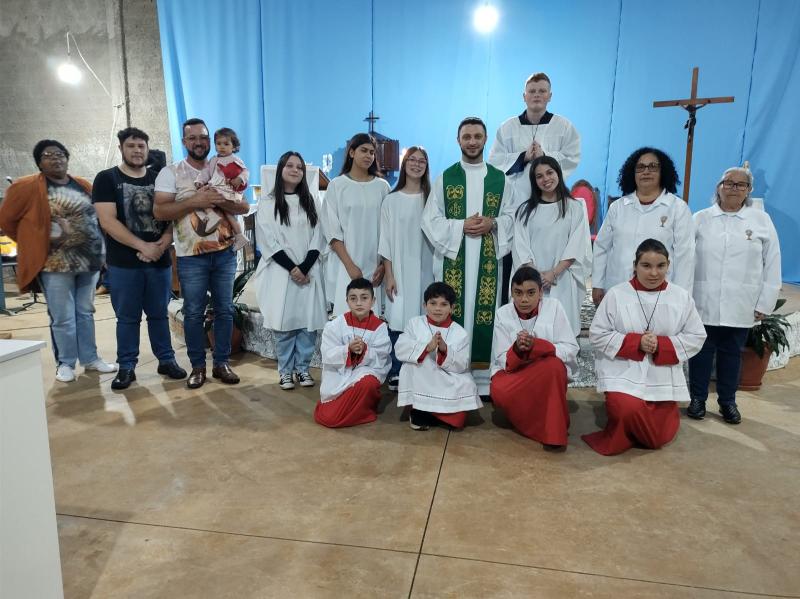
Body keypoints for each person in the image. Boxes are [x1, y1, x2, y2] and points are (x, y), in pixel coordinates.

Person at [0, 139, 116, 382]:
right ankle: (65, 363)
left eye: (60, 154)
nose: (56, 158)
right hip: (54, 265)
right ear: (39, 162)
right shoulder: (26, 187)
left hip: (88, 262)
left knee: (85, 312)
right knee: (62, 316)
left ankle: (91, 359)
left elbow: (96, 219)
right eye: (48, 155)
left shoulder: (82, 185)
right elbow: (7, 220)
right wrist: (32, 241)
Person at [582, 239, 706, 456]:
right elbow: (598, 334)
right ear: (635, 265)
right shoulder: (617, 295)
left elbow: (696, 336)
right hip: (624, 371)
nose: (654, 273)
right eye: (646, 266)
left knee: (656, 438)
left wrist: (662, 344)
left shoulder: (680, 297)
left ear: (668, 265)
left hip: (662, 376)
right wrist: (635, 342)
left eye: (661, 266)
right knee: (627, 410)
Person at [422, 116, 516, 394]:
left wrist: (494, 223)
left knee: (486, 314)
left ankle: (484, 381)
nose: (472, 141)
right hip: (455, 259)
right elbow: (430, 220)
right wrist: (460, 225)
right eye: (467, 137)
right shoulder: (446, 178)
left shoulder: (500, 179)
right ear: (458, 140)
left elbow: (512, 217)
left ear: (485, 140)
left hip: (488, 259)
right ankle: (449, 371)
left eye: (477, 136)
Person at [153, 118, 249, 389]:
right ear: (184, 141)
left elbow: (243, 206)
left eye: (203, 137)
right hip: (190, 256)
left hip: (225, 253)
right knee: (194, 312)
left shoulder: (223, 167)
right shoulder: (171, 173)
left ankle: (221, 363)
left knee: (225, 310)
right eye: (192, 137)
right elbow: (160, 211)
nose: (198, 142)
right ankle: (197, 366)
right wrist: (196, 200)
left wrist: (224, 200)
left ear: (211, 141)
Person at [93, 127, 186, 389]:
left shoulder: (161, 178)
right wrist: (142, 246)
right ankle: (126, 366)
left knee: (159, 314)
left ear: (147, 149)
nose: (137, 150)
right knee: (127, 317)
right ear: (121, 148)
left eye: (141, 146)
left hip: (159, 261)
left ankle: (166, 360)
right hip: (124, 263)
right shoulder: (106, 179)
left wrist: (165, 242)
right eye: (131, 145)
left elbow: (173, 215)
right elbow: (107, 221)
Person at [688, 167, 782, 424]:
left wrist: (766, 301)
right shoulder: (700, 218)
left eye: (741, 185)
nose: (734, 188)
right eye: (728, 182)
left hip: (741, 301)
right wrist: (683, 297)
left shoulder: (761, 221)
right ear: (718, 186)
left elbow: (772, 262)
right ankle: (697, 399)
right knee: (701, 352)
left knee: (731, 353)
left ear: (749, 191)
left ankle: (727, 402)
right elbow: (685, 259)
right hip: (702, 298)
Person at [254, 151, 326, 390]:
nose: (295, 170)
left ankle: (303, 369)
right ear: (280, 170)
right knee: (285, 324)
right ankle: (285, 371)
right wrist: (293, 269)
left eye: (299, 167)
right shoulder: (268, 203)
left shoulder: (312, 201)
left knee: (307, 324)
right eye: (290, 166)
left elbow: (319, 235)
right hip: (280, 271)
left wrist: (304, 267)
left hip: (309, 269)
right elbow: (267, 240)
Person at [592, 147, 694, 306]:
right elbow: (602, 247)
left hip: (660, 290)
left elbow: (685, 255)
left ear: (663, 172)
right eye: (640, 167)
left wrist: (681, 296)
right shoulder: (618, 207)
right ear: (632, 173)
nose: (646, 171)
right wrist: (597, 284)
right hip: (618, 286)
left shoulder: (678, 208)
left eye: (653, 166)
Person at [490, 266, 579, 449]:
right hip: (516, 373)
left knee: (554, 367)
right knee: (498, 390)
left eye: (531, 293)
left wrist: (537, 347)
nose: (524, 299)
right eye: (518, 293)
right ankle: (528, 423)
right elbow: (500, 358)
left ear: (541, 293)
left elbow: (570, 348)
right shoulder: (502, 313)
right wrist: (517, 349)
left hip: (545, 372)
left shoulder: (554, 307)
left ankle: (552, 432)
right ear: (511, 293)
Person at [512, 156, 591, 336]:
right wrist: (536, 276)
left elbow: (576, 244)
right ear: (534, 181)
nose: (546, 179)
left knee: (561, 329)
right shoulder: (525, 210)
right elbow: (520, 245)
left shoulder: (574, 207)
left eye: (550, 173)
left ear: (558, 173)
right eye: (539, 176)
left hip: (561, 278)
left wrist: (553, 273)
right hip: (531, 280)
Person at [379, 146, 435, 391]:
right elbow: (386, 240)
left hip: (427, 265)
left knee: (424, 317)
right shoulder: (391, 200)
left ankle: (423, 367)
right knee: (398, 317)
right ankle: (396, 370)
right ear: (404, 165)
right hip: (400, 267)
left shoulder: (433, 198)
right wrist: (389, 274)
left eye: (421, 161)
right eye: (411, 160)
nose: (416, 164)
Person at [395, 282, 481, 430]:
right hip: (422, 375)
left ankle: (427, 412)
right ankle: (419, 410)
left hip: (447, 378)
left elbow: (463, 363)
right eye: (433, 303)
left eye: (444, 304)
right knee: (413, 365)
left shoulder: (460, 332)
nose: (437, 309)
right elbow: (400, 348)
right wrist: (426, 348)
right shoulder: (414, 324)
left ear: (452, 308)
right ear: (424, 305)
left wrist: (444, 350)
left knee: (458, 421)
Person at [321, 133, 390, 316]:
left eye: (372, 152)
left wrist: (383, 265)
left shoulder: (382, 187)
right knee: (347, 321)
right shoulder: (337, 185)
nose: (369, 156)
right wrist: (350, 266)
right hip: (346, 262)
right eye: (363, 151)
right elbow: (332, 230)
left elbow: (388, 230)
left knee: (373, 322)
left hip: (375, 265)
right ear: (351, 152)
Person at [488, 72, 581, 204]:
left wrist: (544, 156)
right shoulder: (507, 128)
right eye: (532, 91)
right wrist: (522, 158)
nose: (537, 95)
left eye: (542, 91)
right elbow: (495, 161)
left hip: (551, 197)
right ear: (524, 97)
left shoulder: (564, 126)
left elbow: (572, 158)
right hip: (516, 199)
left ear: (550, 96)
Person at [314, 278, 391, 428]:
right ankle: (352, 411)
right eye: (353, 298)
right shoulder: (335, 325)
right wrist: (347, 350)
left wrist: (364, 351)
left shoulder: (380, 327)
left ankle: (363, 410)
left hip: (365, 371)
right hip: (339, 374)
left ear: (373, 301)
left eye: (364, 298)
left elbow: (382, 356)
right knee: (329, 418)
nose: (359, 303)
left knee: (368, 383)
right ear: (347, 301)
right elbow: (327, 353)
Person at [193, 127, 250, 251]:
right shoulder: (214, 160)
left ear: (233, 147)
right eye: (218, 144)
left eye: (226, 144)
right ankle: (240, 235)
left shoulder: (235, 159)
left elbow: (245, 172)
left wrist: (239, 179)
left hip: (226, 189)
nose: (222, 147)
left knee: (202, 194)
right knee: (229, 214)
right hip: (219, 188)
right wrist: (199, 181)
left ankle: (211, 216)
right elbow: (206, 173)